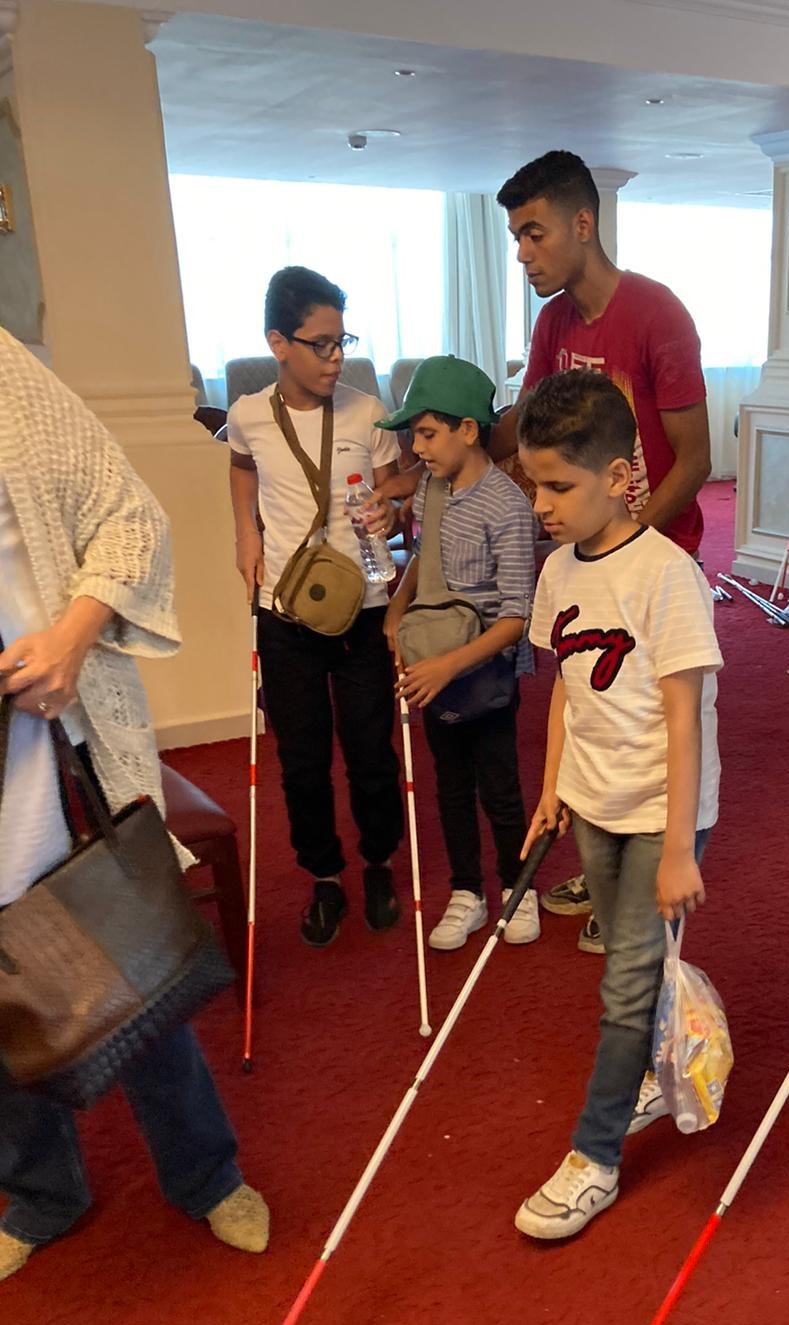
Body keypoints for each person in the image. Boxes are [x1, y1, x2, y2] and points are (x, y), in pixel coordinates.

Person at [0, 325, 268, 1284]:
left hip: (53, 737)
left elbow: (126, 515)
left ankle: (206, 1173)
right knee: (1, 1008)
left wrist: (74, 634)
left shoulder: (4, 373)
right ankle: (42, 1195)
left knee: (130, 969)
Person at [512, 370, 721, 1241]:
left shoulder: (667, 576)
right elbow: (564, 686)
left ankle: (593, 1156)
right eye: (533, 484)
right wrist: (553, 789)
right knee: (623, 966)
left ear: (618, 474)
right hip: (592, 803)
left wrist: (679, 847)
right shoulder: (560, 570)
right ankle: (645, 1070)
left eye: (559, 485)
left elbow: (685, 715)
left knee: (628, 982)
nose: (542, 505)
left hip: (660, 812)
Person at [493, 150, 713, 953]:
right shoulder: (552, 323)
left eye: (533, 233)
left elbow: (694, 457)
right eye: (517, 238)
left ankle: (650, 864)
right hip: (592, 554)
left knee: (653, 718)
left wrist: (629, 547)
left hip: (652, 553)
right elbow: (527, 427)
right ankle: (605, 857)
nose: (524, 253)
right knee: (589, 703)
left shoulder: (658, 315)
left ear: (583, 224)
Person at [227, 266, 405, 947]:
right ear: (278, 342)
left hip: (362, 604)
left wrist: (392, 505)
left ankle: (380, 860)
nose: (336, 358)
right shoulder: (248, 416)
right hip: (286, 611)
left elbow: (396, 486)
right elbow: (241, 467)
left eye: (343, 342)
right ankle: (325, 876)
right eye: (321, 344)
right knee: (300, 756)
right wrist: (245, 531)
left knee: (370, 749)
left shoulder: (367, 411)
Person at [379, 356, 539, 950]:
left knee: (497, 783)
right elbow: (425, 560)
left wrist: (448, 664)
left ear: (468, 429)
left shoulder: (507, 506)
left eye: (426, 433)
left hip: (484, 668)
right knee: (449, 783)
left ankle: (518, 888)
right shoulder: (430, 490)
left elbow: (516, 617)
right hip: (433, 659)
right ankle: (466, 891)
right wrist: (397, 612)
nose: (416, 447)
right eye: (412, 435)